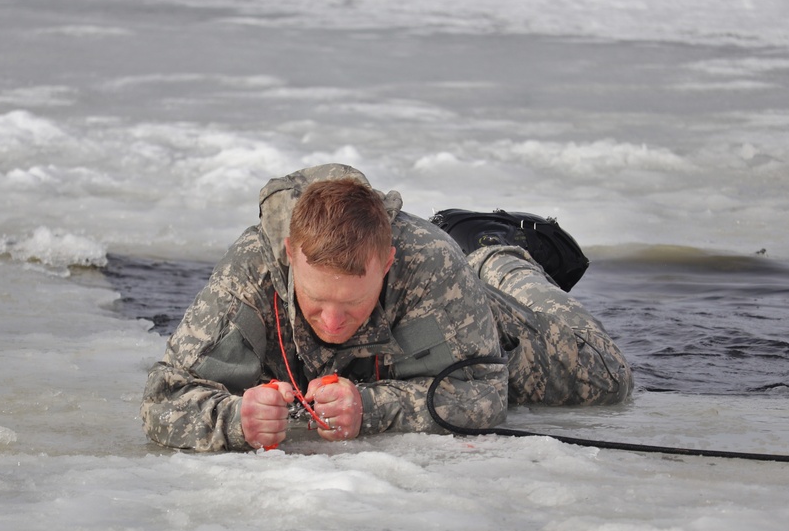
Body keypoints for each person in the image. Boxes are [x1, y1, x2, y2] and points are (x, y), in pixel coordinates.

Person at [141, 163, 632, 452]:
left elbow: (483, 394)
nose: (333, 322)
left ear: (388, 263)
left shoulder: (429, 263)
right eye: (317, 301)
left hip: (484, 324)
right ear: (291, 257)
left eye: (352, 303)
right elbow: (163, 399)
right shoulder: (249, 272)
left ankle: (496, 255)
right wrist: (235, 419)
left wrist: (371, 408)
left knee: (605, 377)